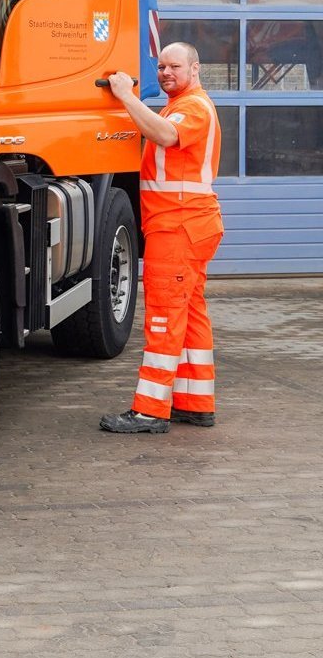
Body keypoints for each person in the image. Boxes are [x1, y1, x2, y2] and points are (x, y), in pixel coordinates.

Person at [99, 42, 223, 434]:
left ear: (195, 68)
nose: (166, 72)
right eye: (162, 66)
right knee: (190, 316)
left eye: (175, 66)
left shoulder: (192, 108)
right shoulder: (181, 105)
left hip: (178, 228)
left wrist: (125, 97)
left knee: (163, 317)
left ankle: (150, 411)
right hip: (188, 226)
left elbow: (166, 136)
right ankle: (195, 403)